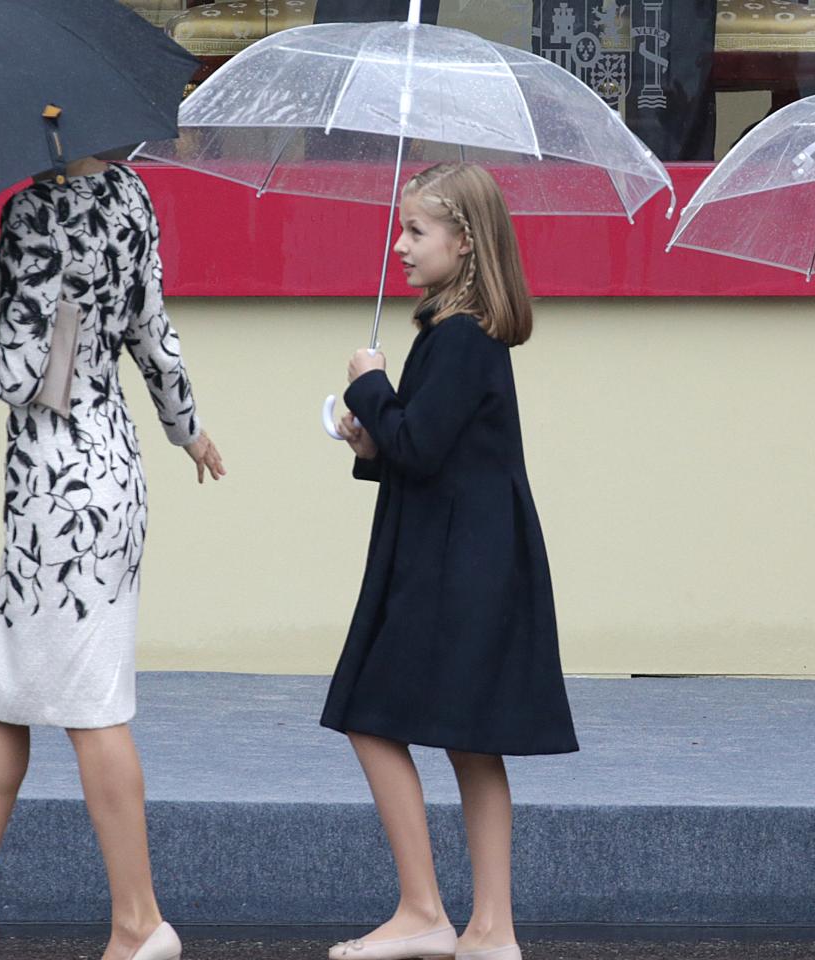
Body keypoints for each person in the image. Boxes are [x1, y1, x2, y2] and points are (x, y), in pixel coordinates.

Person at [0, 155, 225, 960]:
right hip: (113, 471)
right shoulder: (130, 194)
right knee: (3, 688)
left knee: (90, 703)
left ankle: (140, 924)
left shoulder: (36, 210)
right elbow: (152, 331)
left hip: (58, 495)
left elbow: (16, 371)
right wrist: (187, 428)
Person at [323, 162, 578, 960]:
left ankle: (425, 910)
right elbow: (422, 445)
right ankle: (488, 929)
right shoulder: (456, 337)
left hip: (453, 565)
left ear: (464, 243)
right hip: (466, 554)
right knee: (470, 739)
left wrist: (369, 389)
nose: (399, 246)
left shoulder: (461, 340)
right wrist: (375, 436)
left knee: (368, 715)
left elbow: (422, 446)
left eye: (416, 231)